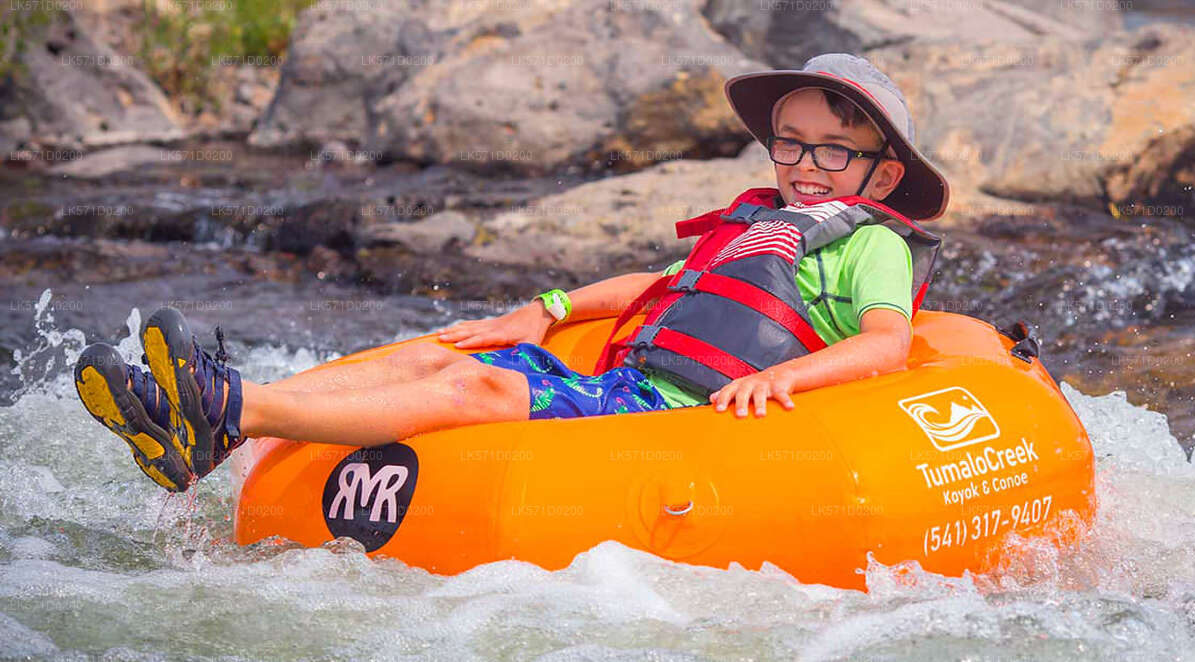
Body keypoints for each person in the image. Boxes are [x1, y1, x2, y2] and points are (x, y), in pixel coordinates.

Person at [73, 53, 949, 492]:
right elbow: (658, 287)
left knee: (478, 395)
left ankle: (228, 406)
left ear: (881, 174)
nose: (805, 164)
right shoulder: (760, 223)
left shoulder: (871, 242)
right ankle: (217, 428)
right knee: (436, 353)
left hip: (685, 427)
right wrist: (547, 304)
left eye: (835, 151)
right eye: (790, 142)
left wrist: (792, 375)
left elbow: (886, 343)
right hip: (630, 390)